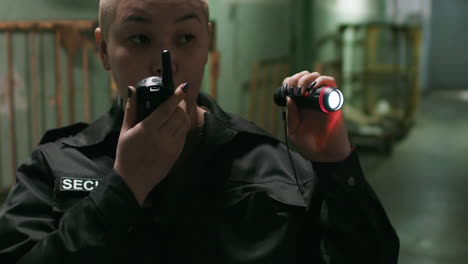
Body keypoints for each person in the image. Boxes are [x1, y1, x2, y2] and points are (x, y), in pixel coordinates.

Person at [0, 0, 399, 263]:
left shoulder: (270, 165)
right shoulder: (54, 165)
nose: (164, 65)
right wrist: (123, 188)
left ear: (207, 41)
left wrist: (336, 165)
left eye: (186, 38)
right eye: (139, 38)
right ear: (104, 50)